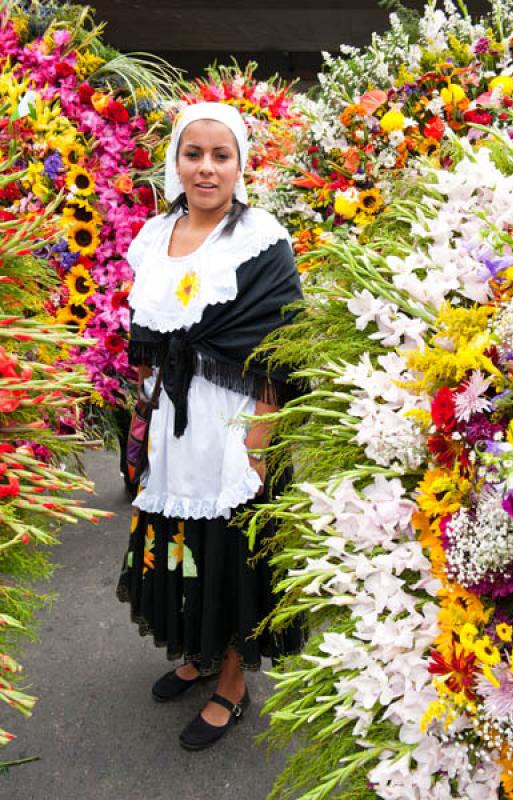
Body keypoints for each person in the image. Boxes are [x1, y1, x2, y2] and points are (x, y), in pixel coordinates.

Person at [117, 102, 305, 751]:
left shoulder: (260, 241)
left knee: (231, 558)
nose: (205, 167)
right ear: (176, 160)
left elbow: (280, 352)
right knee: (180, 545)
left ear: (240, 164)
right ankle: (197, 652)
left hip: (233, 432)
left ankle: (231, 683)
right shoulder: (154, 234)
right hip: (173, 428)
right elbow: (149, 341)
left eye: (220, 155)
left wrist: (262, 441)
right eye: (192, 153)